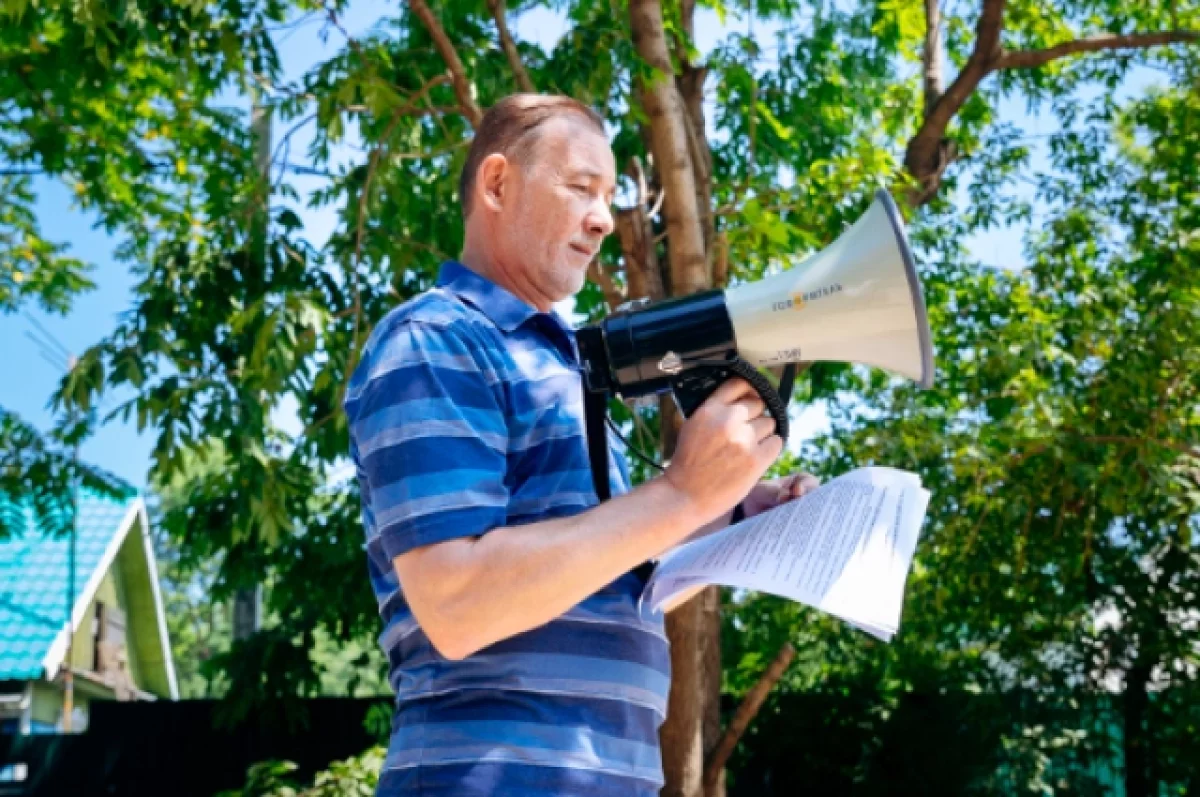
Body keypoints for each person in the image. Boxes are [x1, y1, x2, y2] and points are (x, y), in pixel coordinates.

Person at [344, 93, 819, 797]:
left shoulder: (564, 366)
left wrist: (736, 508)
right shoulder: (436, 338)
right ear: (497, 183)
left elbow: (606, 553)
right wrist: (681, 491)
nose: (604, 218)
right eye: (581, 189)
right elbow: (458, 601)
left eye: (609, 195)